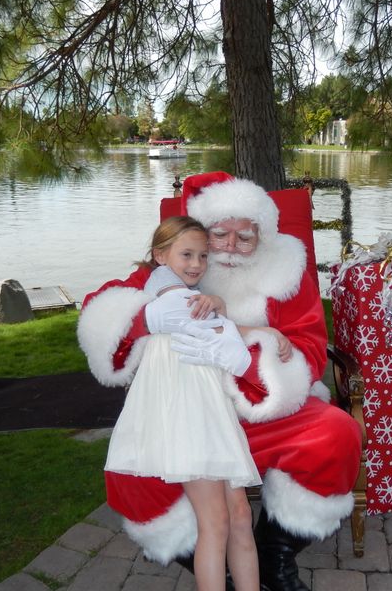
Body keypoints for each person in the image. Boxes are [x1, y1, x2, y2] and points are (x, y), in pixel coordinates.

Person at [79, 172, 362, 591]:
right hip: (190, 411)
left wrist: (247, 363)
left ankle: (275, 555)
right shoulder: (181, 261)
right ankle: (212, 567)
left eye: (244, 237)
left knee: (336, 433)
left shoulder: (287, 269)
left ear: (262, 235)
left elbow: (308, 347)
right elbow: (100, 313)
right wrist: (143, 320)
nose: (229, 246)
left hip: (264, 408)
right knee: (131, 476)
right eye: (220, 235)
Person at [105, 215, 269, 591]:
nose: (196, 264)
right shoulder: (167, 292)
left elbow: (210, 320)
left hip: (207, 409)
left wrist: (218, 303)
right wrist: (249, 325)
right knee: (216, 522)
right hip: (188, 413)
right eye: (187, 255)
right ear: (160, 256)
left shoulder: (181, 287)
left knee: (240, 515)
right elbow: (207, 325)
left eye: (202, 256)